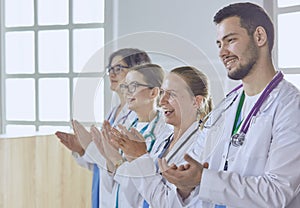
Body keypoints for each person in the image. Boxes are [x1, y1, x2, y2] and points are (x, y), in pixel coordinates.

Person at [159, 2, 300, 208]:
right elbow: (196, 164)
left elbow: (277, 193)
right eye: (219, 44)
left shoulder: (290, 106)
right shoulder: (227, 105)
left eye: (230, 40)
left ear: (259, 37)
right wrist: (184, 182)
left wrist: (202, 180)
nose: (222, 52)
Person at [55, 48, 151, 208]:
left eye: (119, 69)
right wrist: (82, 150)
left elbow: (119, 164)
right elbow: (101, 165)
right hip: (106, 193)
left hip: (126, 197)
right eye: (110, 69)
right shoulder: (114, 111)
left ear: (137, 72)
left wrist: (92, 148)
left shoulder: (138, 116)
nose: (112, 74)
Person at [109, 66, 213, 207]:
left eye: (171, 94)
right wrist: (132, 157)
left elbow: (170, 203)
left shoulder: (201, 147)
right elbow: (143, 193)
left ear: (197, 101)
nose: (161, 101)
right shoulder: (165, 139)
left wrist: (139, 157)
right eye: (163, 92)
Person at [91, 63, 173, 207]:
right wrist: (108, 158)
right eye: (125, 86)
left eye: (133, 86)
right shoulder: (126, 127)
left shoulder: (165, 133)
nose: (127, 92)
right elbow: (113, 185)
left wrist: (116, 160)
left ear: (153, 93)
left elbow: (143, 186)